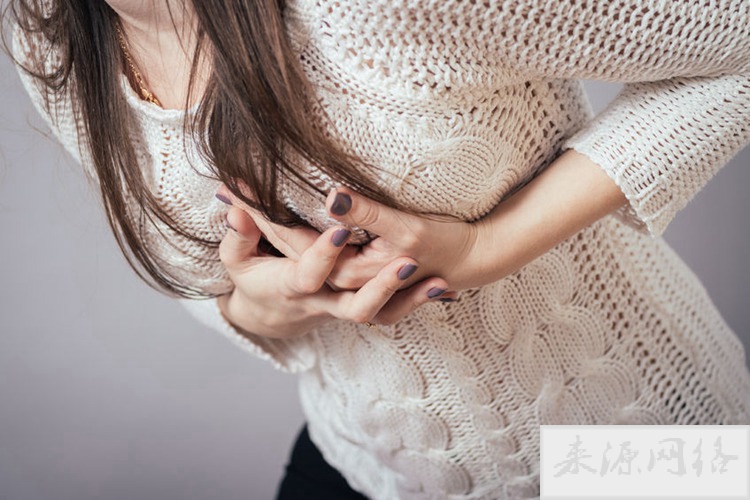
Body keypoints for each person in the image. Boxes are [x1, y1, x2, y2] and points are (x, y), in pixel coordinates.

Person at [6, 0, 750, 498]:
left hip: (639, 446)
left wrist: (489, 246)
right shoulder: (46, 28)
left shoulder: (369, 11)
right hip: (373, 469)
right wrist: (264, 308)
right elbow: (195, 277)